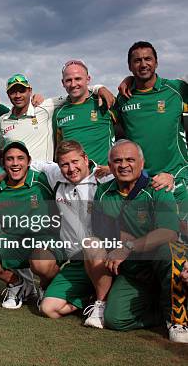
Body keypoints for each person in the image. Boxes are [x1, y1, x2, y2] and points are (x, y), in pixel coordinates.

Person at [86, 140, 186, 343]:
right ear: (110, 165)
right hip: (133, 271)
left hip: (160, 262)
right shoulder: (103, 192)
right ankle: (160, 311)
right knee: (115, 320)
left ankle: (177, 319)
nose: (124, 165)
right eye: (117, 161)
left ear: (142, 163)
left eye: (130, 160)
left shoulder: (157, 187)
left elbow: (168, 232)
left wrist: (129, 246)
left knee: (170, 250)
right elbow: (104, 232)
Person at [26, 141, 113, 326]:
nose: (71, 168)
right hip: (76, 260)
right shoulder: (56, 174)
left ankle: (102, 303)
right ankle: (88, 299)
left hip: (103, 258)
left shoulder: (105, 178)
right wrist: (1, 175)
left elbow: (137, 174)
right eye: (65, 164)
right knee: (48, 309)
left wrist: (165, 177)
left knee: (92, 244)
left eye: (75, 162)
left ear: (86, 159)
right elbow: (33, 164)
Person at [0, 141, 62, 309]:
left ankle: (44, 287)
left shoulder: (43, 180)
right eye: (10, 159)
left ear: (29, 161)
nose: (15, 163)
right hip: (12, 242)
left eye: (20, 158)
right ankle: (16, 283)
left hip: (44, 242)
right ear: (3, 163)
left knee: (40, 262)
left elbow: (68, 172)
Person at [115, 41, 187, 229]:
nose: (143, 64)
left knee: (182, 235)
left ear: (156, 62)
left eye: (148, 59)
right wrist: (100, 87)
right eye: (137, 60)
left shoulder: (177, 90)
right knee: (155, 245)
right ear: (130, 66)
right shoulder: (123, 98)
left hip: (176, 178)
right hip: (143, 183)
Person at [53, 60, 117, 165]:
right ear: (63, 83)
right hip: (75, 177)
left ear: (88, 79)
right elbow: (59, 149)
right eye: (68, 80)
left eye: (78, 79)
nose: (73, 84)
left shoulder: (104, 100)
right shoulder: (59, 113)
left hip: (104, 176)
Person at [0, 74, 66, 162]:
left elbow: (72, 95)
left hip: (42, 175)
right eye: (13, 92)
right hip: (16, 174)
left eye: (22, 91)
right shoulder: (3, 120)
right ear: (8, 94)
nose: (18, 95)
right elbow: (1, 149)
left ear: (30, 91)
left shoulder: (44, 107)